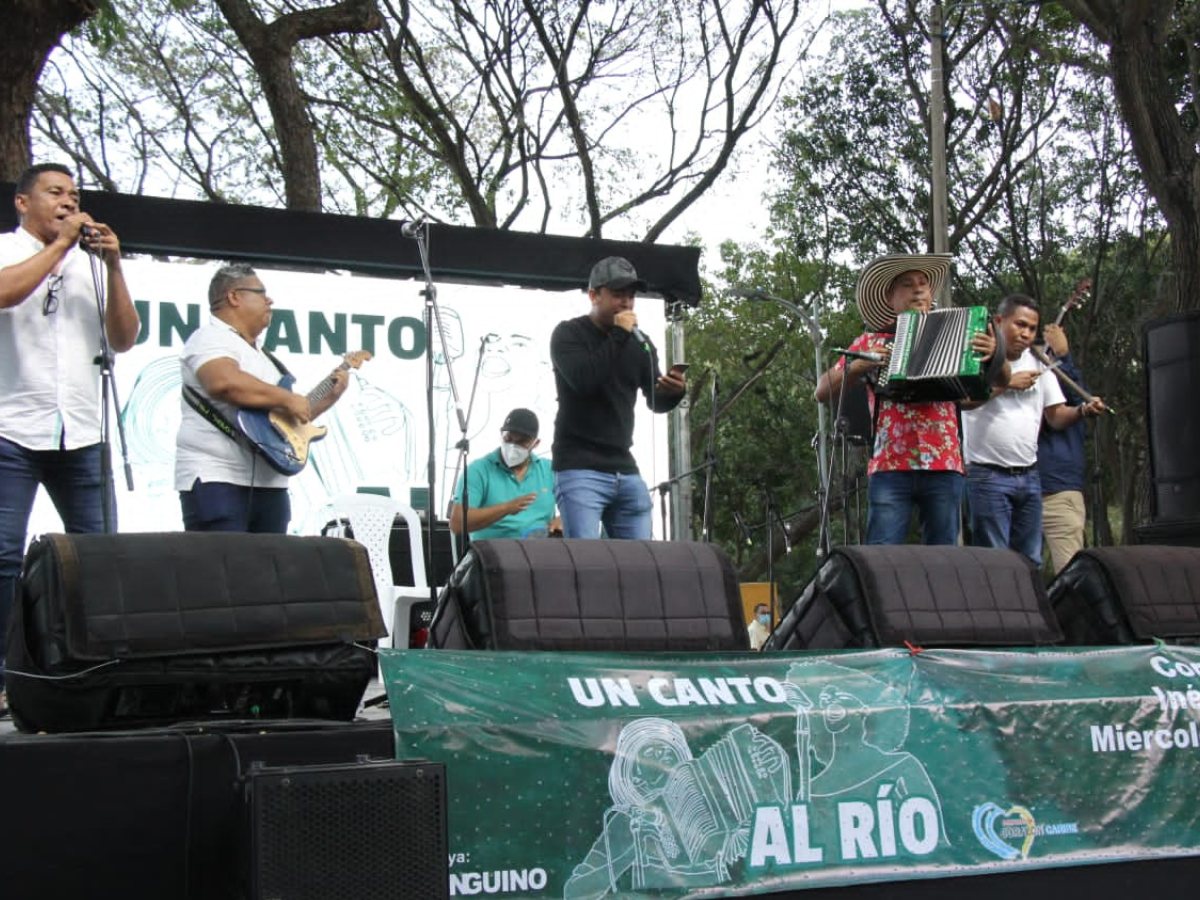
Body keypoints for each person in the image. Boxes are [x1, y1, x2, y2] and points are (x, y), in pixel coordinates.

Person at [0, 162, 140, 714]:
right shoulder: (9, 250)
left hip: (80, 428)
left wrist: (114, 265)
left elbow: (124, 338)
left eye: (73, 195)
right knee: (4, 556)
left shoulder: (91, 266)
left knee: (100, 554)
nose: (67, 202)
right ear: (22, 203)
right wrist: (59, 247)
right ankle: (7, 671)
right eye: (55, 193)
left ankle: (99, 667)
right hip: (11, 426)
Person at [814, 254, 999, 546]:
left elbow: (973, 396)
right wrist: (860, 366)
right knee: (883, 555)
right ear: (890, 297)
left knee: (942, 558)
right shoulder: (872, 341)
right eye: (907, 284)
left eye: (923, 284)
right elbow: (822, 391)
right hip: (890, 463)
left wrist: (994, 355)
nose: (918, 290)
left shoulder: (961, 334)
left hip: (943, 462)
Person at [175, 262, 348, 533]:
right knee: (221, 570)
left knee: (269, 573)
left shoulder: (265, 358)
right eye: (260, 292)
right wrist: (287, 398)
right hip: (218, 477)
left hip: (271, 484)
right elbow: (223, 382)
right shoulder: (209, 337)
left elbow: (279, 424)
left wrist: (327, 399)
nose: (270, 300)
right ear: (234, 297)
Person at [961, 295, 1105, 565]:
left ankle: (1028, 607)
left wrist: (1083, 411)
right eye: (1020, 325)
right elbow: (963, 403)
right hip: (987, 473)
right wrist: (1007, 384)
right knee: (994, 560)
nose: (1026, 333)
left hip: (1029, 475)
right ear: (999, 321)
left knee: (1030, 561)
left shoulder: (1039, 360)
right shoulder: (977, 355)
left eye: (1032, 328)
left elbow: (1056, 416)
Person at [550, 256, 686, 539]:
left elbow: (654, 401)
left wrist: (674, 392)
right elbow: (584, 380)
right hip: (578, 465)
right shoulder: (568, 334)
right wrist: (619, 334)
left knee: (639, 563)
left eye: (631, 295)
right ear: (593, 295)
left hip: (624, 465)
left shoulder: (640, 343)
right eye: (618, 294)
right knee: (585, 563)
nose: (626, 303)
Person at [448, 407, 560, 540]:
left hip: (539, 554)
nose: (513, 446)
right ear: (501, 435)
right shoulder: (478, 471)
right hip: (492, 554)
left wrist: (562, 520)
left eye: (522, 442)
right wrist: (505, 508)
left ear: (536, 443)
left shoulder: (550, 470)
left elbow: (579, 506)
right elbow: (457, 524)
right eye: (508, 438)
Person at [1037, 323, 1091, 574]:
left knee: (1071, 575)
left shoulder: (1064, 382)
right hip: (1016, 491)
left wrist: (1063, 357)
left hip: (1060, 492)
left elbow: (1085, 403)